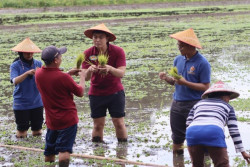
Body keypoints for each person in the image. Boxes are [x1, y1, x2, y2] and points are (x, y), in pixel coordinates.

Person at [159, 28, 211, 156]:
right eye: (178, 45)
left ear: (190, 46)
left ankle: (204, 162)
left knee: (199, 138)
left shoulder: (202, 63)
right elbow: (177, 82)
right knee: (176, 138)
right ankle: (178, 161)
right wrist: (167, 79)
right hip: (177, 104)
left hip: (195, 105)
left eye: (181, 46)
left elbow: (206, 87)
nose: (179, 48)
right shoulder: (178, 60)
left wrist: (185, 82)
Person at [35, 46, 85, 166]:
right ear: (56, 60)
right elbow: (80, 92)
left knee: (50, 150)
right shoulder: (63, 77)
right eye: (60, 56)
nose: (61, 58)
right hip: (67, 120)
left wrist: (68, 74)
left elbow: (53, 79)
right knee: (64, 149)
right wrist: (83, 77)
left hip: (51, 121)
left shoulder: (38, 74)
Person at [186, 81, 250, 166]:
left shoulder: (198, 104)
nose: (228, 100)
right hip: (213, 131)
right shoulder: (228, 107)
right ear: (224, 97)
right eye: (228, 97)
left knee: (197, 165)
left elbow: (188, 123)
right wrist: (243, 152)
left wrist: (198, 141)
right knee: (222, 164)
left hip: (192, 132)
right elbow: (234, 131)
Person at [82, 23, 127, 142]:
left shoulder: (118, 51)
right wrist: (90, 71)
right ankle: (97, 152)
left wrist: (110, 68)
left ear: (107, 39)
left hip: (115, 93)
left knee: (119, 123)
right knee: (98, 125)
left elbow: (121, 73)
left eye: (100, 37)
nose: (97, 40)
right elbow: (85, 78)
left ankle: (122, 152)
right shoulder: (87, 53)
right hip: (96, 93)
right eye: (95, 37)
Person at [10, 37, 44, 138]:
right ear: (21, 53)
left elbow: (43, 80)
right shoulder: (15, 65)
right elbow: (14, 81)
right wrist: (27, 73)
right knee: (22, 133)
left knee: (37, 132)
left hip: (37, 103)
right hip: (21, 103)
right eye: (27, 53)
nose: (29, 55)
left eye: (31, 53)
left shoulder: (38, 64)